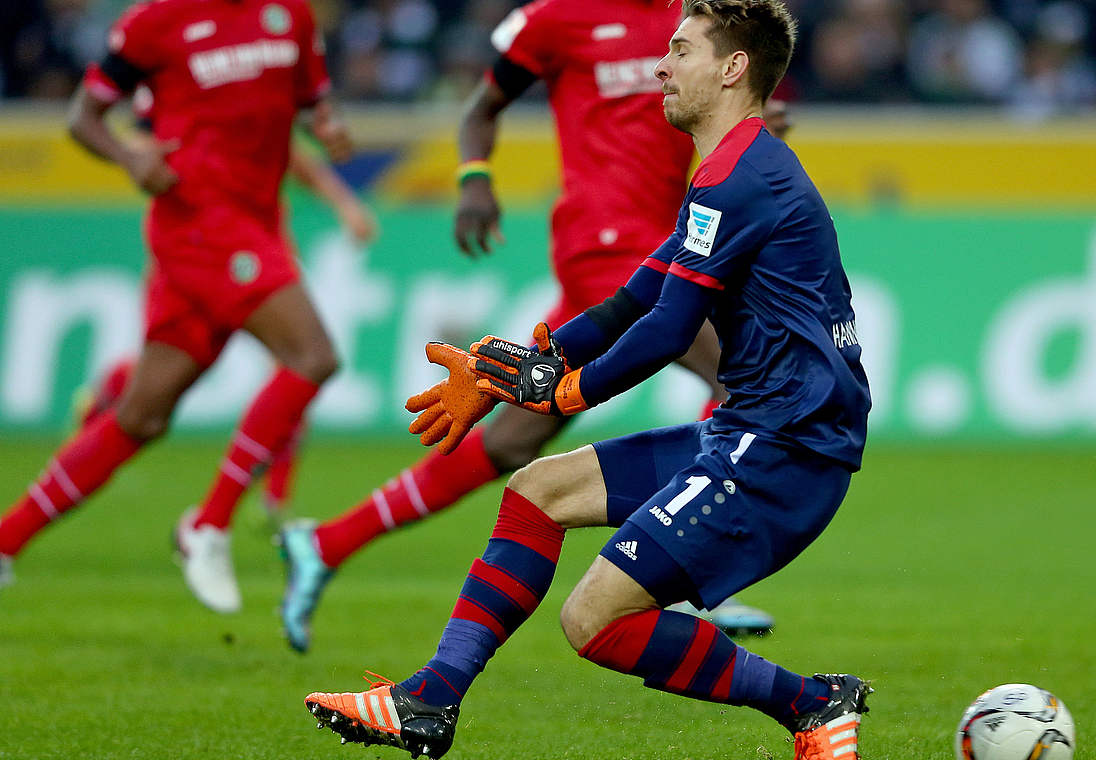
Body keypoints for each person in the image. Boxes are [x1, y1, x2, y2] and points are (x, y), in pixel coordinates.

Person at [302, 3, 872, 760]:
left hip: (784, 448)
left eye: (679, 52)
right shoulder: (727, 169)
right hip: (758, 434)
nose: (659, 69)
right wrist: (507, 372)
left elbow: (667, 330)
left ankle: (812, 703)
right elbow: (632, 298)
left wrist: (563, 393)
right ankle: (429, 701)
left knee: (592, 621)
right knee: (535, 491)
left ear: (733, 69)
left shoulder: (739, 179)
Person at [275, 0, 779, 652]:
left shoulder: (691, 22)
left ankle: (324, 543)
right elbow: (482, 106)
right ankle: (696, 565)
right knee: (740, 378)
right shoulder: (556, 19)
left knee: (512, 442)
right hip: (602, 245)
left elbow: (707, 109)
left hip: (644, 250)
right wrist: (475, 179)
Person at [0, 0, 352, 614]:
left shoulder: (290, 15)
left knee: (140, 416)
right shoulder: (153, 23)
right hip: (198, 220)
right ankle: (208, 526)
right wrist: (130, 156)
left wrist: (326, 124)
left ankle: (6, 543)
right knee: (312, 355)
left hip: (257, 221)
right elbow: (84, 117)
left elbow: (309, 97)